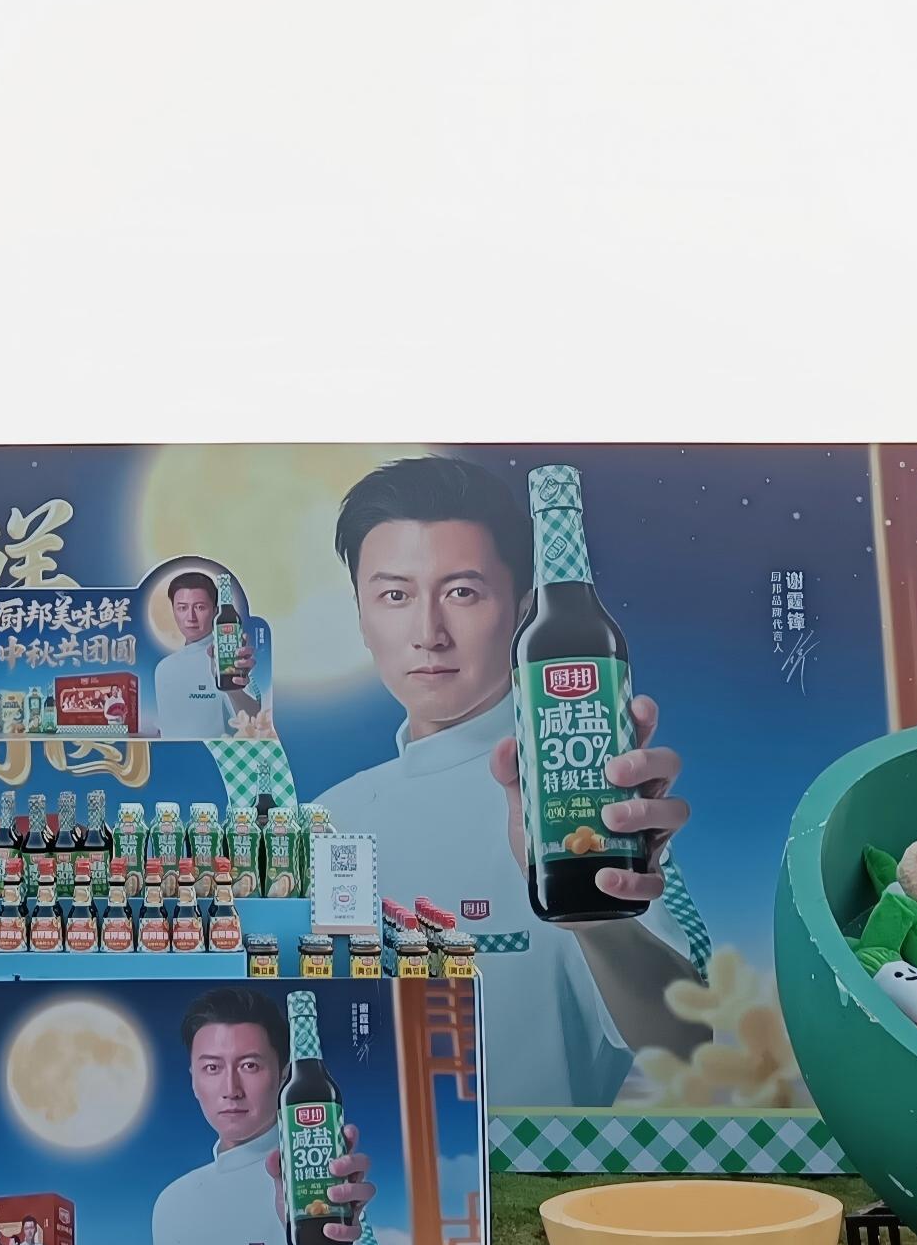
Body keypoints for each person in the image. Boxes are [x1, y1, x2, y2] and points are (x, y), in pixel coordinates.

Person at [298, 456, 708, 1108]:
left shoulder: (582, 791)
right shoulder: (325, 818)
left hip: (537, 1167)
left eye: (462, 593)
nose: (428, 635)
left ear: (522, 613)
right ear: (361, 617)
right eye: (395, 596)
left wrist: (596, 919)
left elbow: (689, 1042)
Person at [148, 987, 377, 1245]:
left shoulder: (320, 1178)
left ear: (283, 1075)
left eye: (250, 1065)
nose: (231, 1089)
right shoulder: (170, 1201)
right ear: (193, 1080)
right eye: (211, 1067)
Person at [143, 569, 268, 740]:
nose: (191, 617)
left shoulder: (233, 657)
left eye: (200, 607)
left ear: (216, 611)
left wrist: (234, 690)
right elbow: (165, 729)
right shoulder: (162, 668)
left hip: (216, 755)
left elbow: (256, 721)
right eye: (182, 608)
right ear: (173, 610)